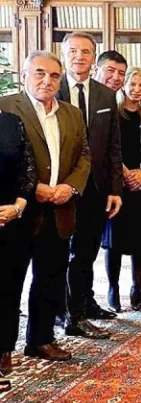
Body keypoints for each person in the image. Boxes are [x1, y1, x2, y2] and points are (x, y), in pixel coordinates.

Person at [0, 50, 91, 362]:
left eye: (54, 75)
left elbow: (84, 157)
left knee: (50, 278)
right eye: (39, 73)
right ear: (24, 75)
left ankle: (40, 340)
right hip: (17, 213)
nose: (47, 80)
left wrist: (71, 186)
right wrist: (30, 188)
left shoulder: (72, 114)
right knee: (8, 282)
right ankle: (3, 348)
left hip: (59, 211)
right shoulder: (5, 108)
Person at [58, 32, 123, 339]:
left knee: (86, 252)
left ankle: (80, 308)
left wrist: (115, 189)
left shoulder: (105, 95)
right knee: (58, 253)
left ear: (93, 58)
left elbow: (113, 147)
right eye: (73, 51)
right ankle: (66, 312)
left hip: (96, 188)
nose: (79, 56)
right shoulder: (50, 88)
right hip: (58, 187)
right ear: (64, 53)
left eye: (86, 52)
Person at [102, 67, 141, 312]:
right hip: (118, 187)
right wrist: (126, 174)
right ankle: (113, 288)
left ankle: (136, 288)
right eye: (133, 84)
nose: (137, 89)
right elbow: (107, 149)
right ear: (124, 86)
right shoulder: (113, 115)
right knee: (115, 241)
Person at [0, 110, 37, 385]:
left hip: (12, 219)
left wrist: (18, 206)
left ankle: (4, 350)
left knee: (10, 289)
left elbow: (28, 170)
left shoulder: (12, 122)